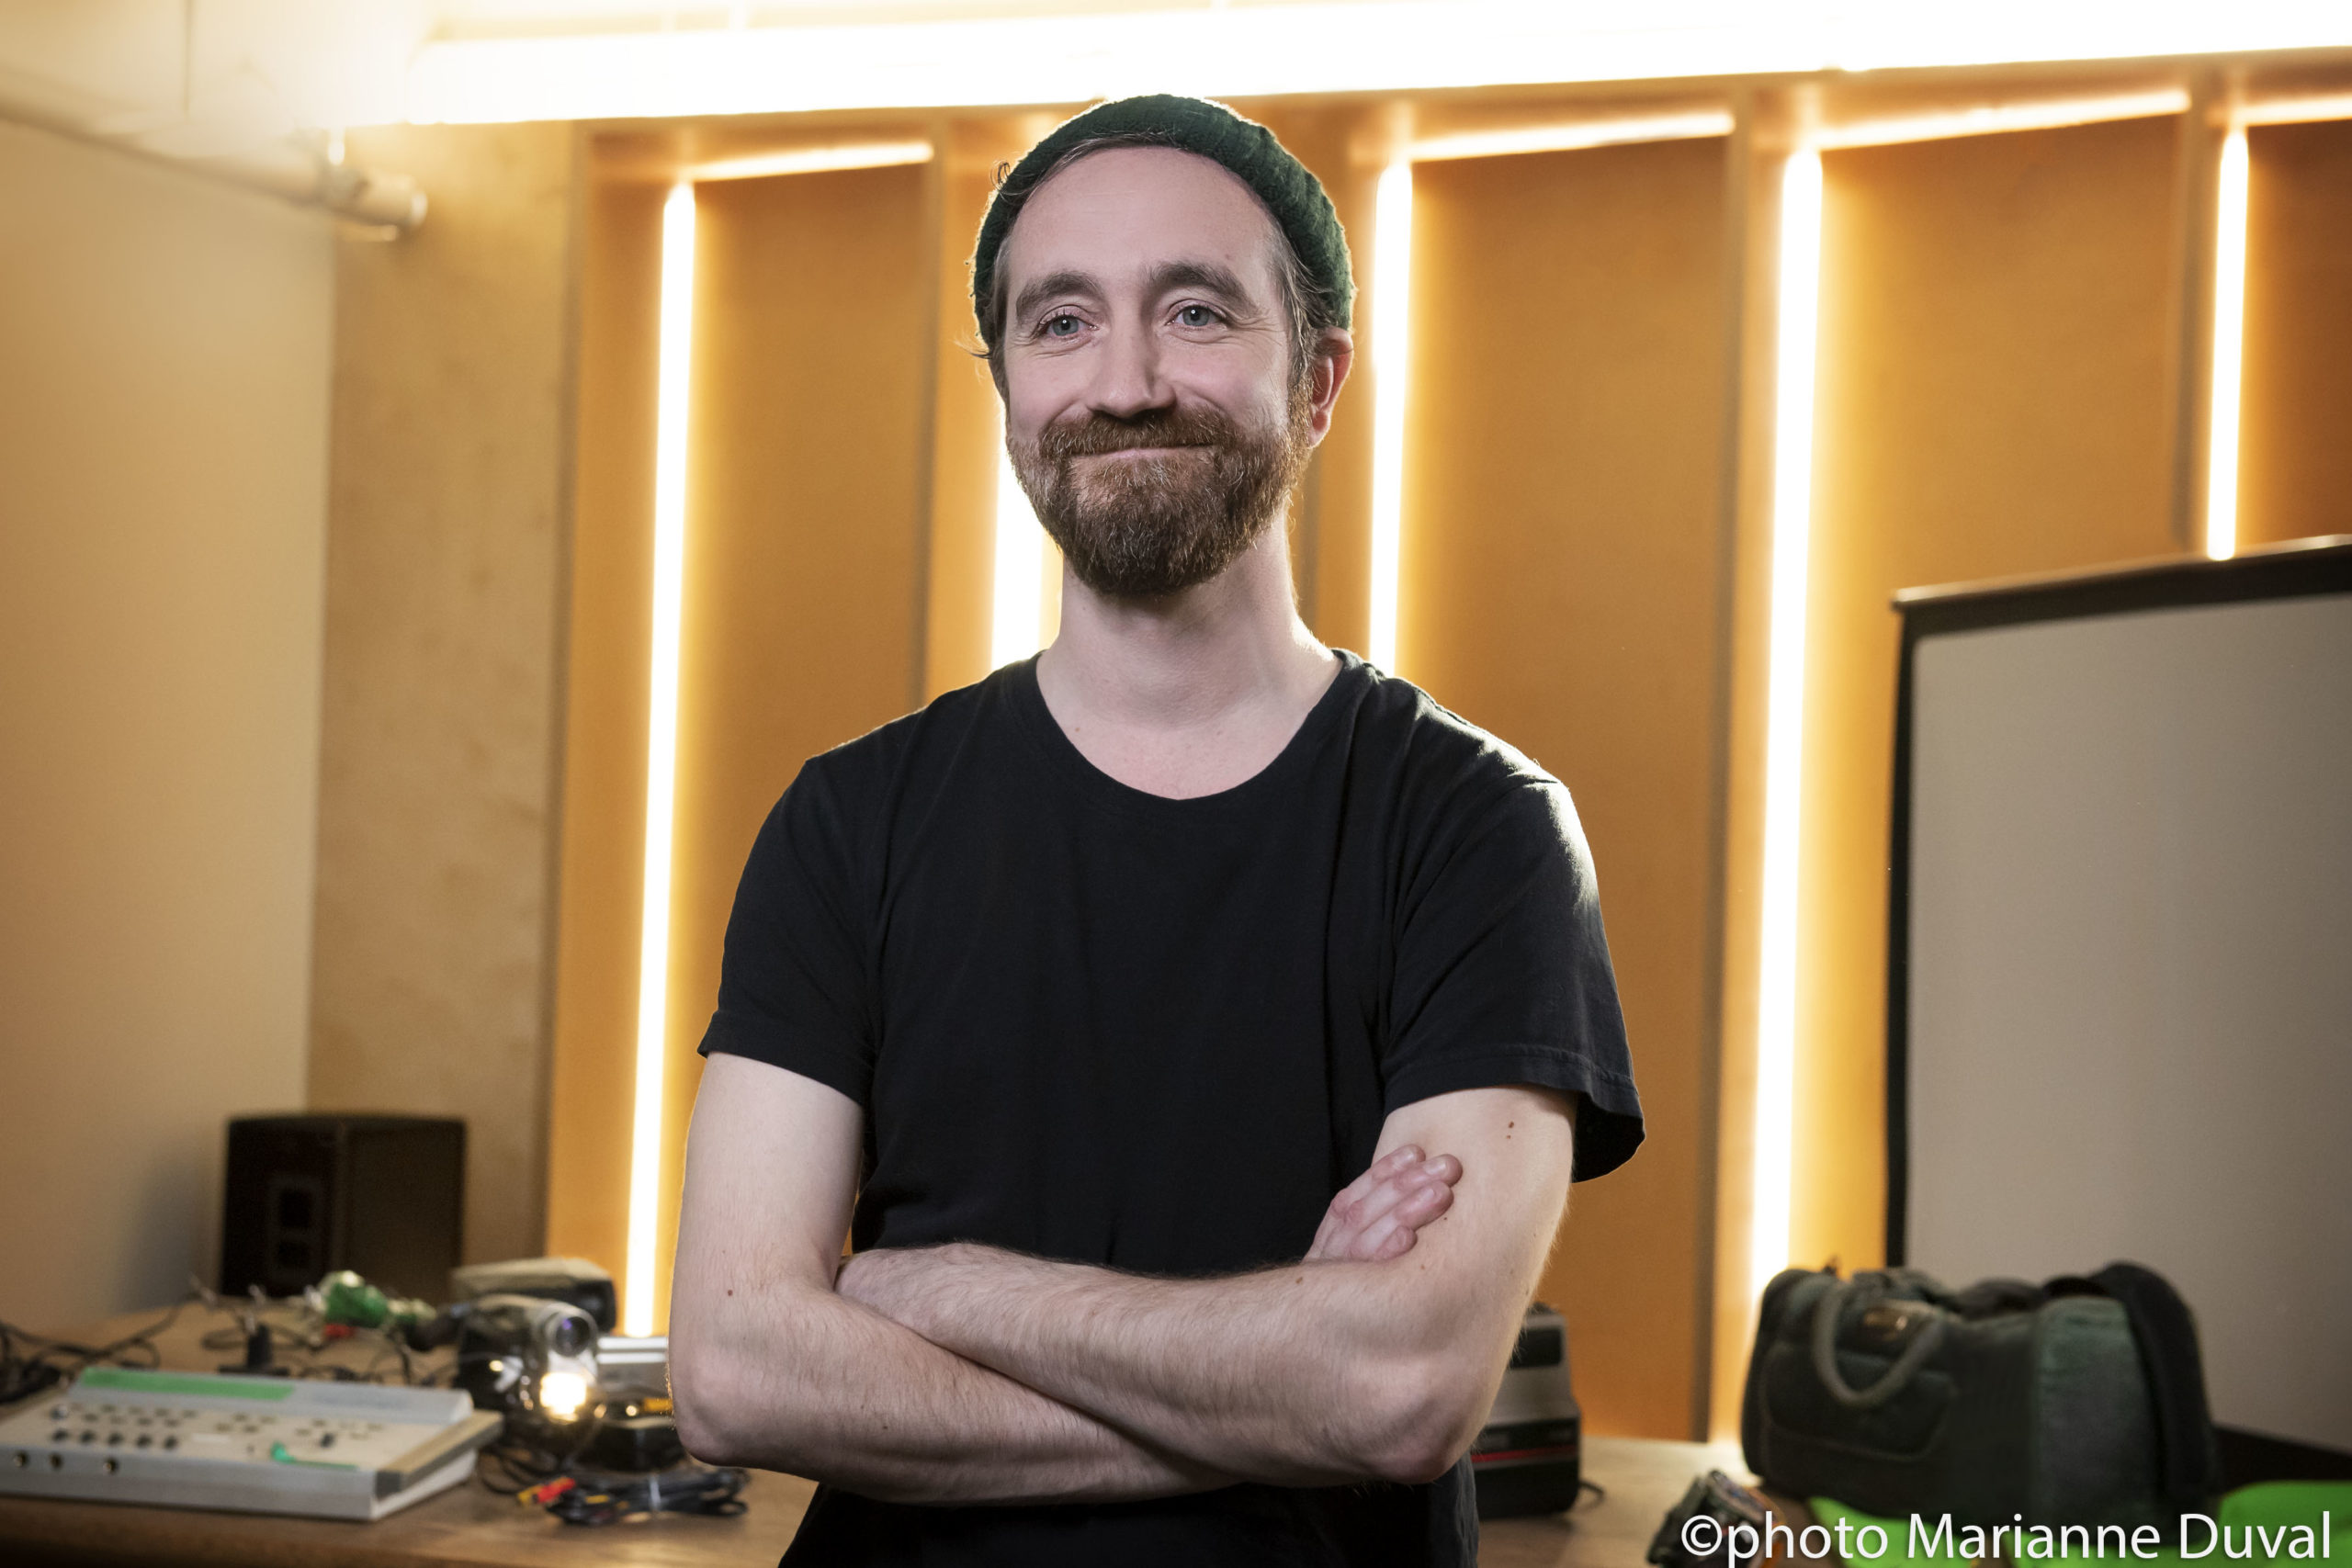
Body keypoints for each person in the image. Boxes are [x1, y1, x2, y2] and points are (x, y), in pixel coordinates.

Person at [666, 95, 1645, 1567]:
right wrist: (1268, 1385)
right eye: (1059, 324)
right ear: (1006, 389)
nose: (1123, 382)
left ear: (1317, 381)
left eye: (1194, 312)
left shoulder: (1477, 832)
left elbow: (1397, 1392)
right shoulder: (845, 827)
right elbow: (738, 1372)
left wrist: (923, 1292)